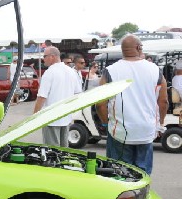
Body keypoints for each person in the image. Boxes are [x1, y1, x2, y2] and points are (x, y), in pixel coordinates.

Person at [96, 34, 168, 175]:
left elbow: (100, 104)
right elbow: (163, 101)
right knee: (142, 174)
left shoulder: (111, 71)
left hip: (119, 132)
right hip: (146, 131)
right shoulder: (155, 70)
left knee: (118, 173)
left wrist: (106, 124)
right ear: (138, 47)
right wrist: (160, 124)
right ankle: (140, 195)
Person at [33, 46, 82, 147]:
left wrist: (34, 117)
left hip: (51, 119)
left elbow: (42, 97)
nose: (43, 59)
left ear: (52, 56)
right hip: (66, 117)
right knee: (64, 150)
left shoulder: (49, 73)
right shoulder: (71, 72)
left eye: (45, 56)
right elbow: (77, 94)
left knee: (52, 151)